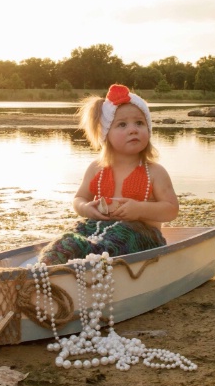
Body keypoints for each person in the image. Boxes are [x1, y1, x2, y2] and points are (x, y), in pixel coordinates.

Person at [37, 84, 179, 266]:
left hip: (141, 236)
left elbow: (171, 210)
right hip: (96, 228)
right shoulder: (97, 169)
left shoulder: (154, 172)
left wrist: (139, 210)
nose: (133, 129)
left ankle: (86, 270)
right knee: (65, 243)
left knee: (108, 247)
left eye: (139, 123)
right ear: (106, 134)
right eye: (122, 124)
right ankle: (48, 274)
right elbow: (79, 198)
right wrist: (86, 208)